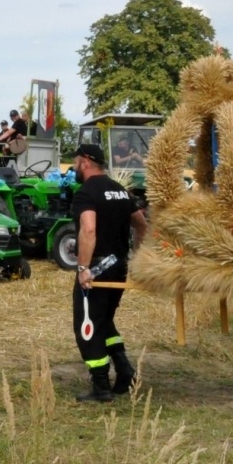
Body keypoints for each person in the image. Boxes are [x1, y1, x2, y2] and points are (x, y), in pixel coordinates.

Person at [71, 143, 149, 403]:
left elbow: (89, 230)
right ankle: (125, 372)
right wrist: (136, 258)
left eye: (75, 162)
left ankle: (101, 386)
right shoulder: (119, 190)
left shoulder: (86, 193)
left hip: (96, 269)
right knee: (104, 320)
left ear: (84, 161)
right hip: (118, 268)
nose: (74, 166)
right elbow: (141, 224)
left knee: (87, 326)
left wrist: (83, 269)